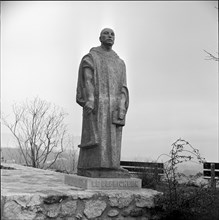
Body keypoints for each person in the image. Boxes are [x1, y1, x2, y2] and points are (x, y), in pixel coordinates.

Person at [76, 28, 129, 178]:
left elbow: (123, 87)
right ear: (100, 37)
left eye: (112, 34)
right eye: (106, 33)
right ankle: (92, 167)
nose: (110, 36)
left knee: (113, 136)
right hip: (97, 103)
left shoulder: (120, 63)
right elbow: (87, 79)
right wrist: (90, 99)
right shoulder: (92, 57)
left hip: (114, 105)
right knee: (97, 135)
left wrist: (122, 105)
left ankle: (113, 167)